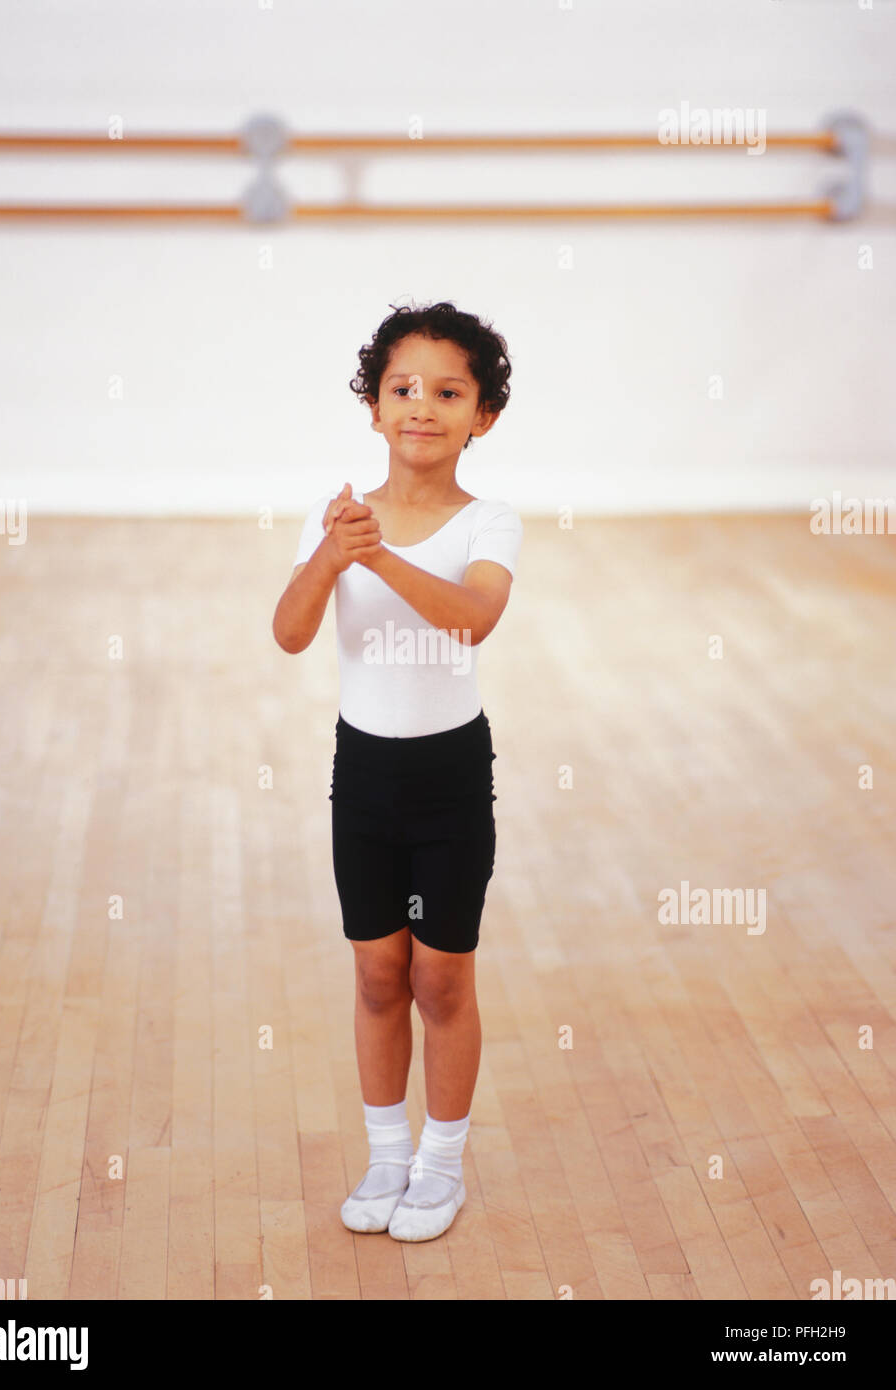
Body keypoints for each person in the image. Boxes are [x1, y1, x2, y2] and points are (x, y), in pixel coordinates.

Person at [272, 299, 523, 1242]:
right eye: (402, 388)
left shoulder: (487, 521)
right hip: (363, 773)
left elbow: (470, 617)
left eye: (447, 391)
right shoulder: (338, 520)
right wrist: (335, 553)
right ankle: (385, 1158)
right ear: (373, 408)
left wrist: (375, 558)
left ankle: (440, 1166)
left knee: (440, 981)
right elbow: (291, 633)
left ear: (481, 416)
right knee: (379, 974)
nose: (422, 406)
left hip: (449, 778)